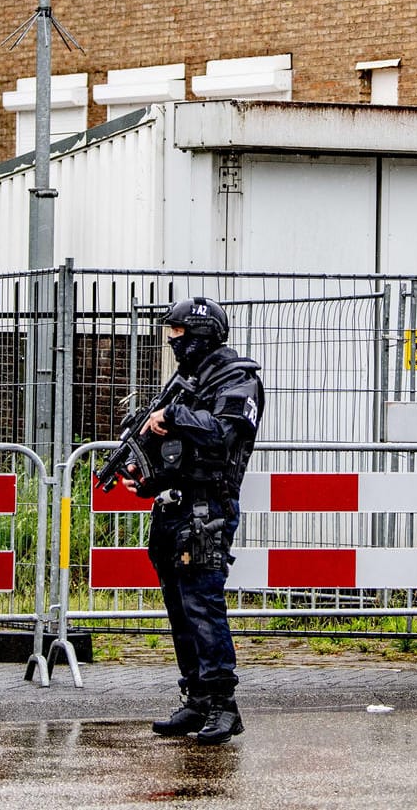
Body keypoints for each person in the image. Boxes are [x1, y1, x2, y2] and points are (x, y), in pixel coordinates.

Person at [131, 297, 264, 745]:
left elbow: (223, 433)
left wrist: (173, 415)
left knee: (204, 606)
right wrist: (146, 477)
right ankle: (197, 701)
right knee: (180, 609)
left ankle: (224, 705)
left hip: (208, 510)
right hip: (174, 508)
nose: (172, 341)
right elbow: (180, 454)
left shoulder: (238, 378)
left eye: (179, 334)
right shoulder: (187, 380)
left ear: (201, 335)